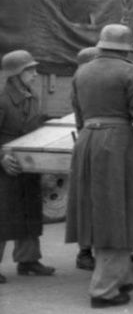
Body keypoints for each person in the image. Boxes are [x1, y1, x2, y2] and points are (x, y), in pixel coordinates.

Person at [65, 24, 133, 308]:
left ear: (101, 44)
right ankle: (104, 290)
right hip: (118, 145)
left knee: (103, 210)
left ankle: (120, 279)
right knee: (117, 211)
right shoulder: (130, 71)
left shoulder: (82, 71)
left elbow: (78, 113)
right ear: (127, 47)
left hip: (87, 141)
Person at [0, 50, 56, 284]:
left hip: (28, 164)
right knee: (3, 214)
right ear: (15, 74)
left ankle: (29, 261)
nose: (35, 74)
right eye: (29, 69)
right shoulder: (1, 98)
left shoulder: (32, 95)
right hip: (6, 165)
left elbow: (35, 124)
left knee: (30, 211)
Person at [73, 46, 100, 272]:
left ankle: (92, 252)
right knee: (93, 201)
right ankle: (86, 252)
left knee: (91, 200)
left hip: (86, 143)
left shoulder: (80, 82)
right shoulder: (87, 84)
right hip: (94, 146)